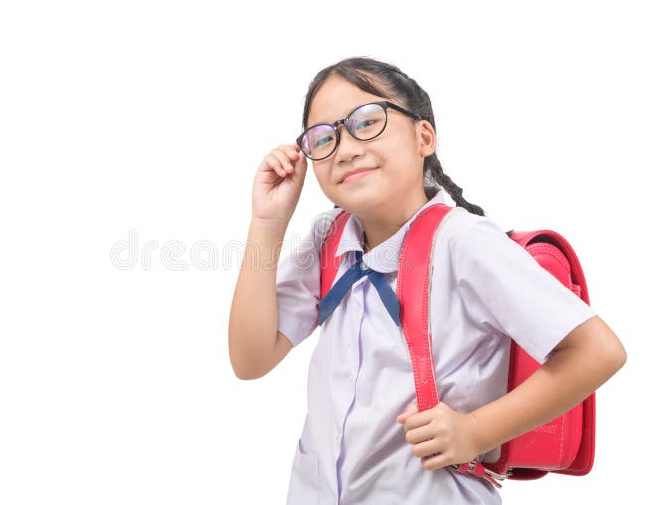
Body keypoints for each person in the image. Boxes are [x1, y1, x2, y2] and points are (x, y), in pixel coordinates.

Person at [227, 56, 627, 504]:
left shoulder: (463, 241)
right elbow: (251, 359)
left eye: (367, 121)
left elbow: (598, 351)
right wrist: (267, 222)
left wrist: (476, 431)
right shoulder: (329, 237)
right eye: (324, 137)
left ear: (424, 137)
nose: (345, 148)